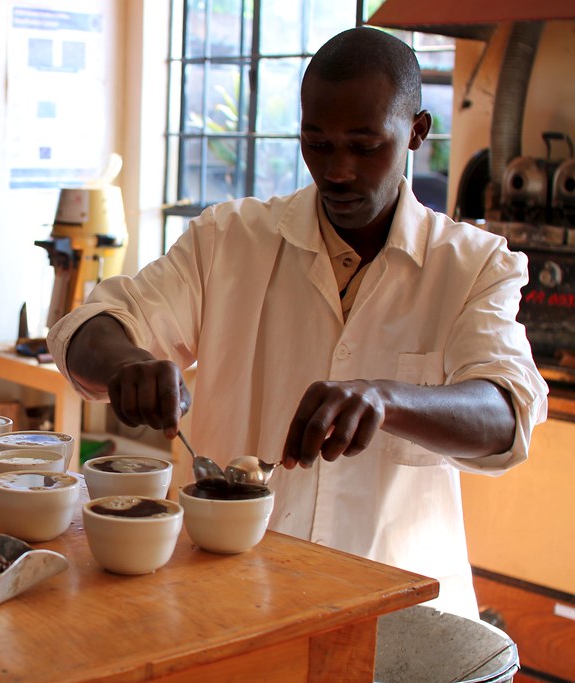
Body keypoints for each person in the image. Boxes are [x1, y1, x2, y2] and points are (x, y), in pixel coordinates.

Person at [46, 26, 548, 618]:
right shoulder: (229, 241)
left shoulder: (472, 265)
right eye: (317, 142)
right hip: (230, 604)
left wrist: (387, 400)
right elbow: (89, 325)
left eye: (364, 147)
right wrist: (127, 362)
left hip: (400, 617)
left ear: (415, 133)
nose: (336, 170)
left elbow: (507, 414)